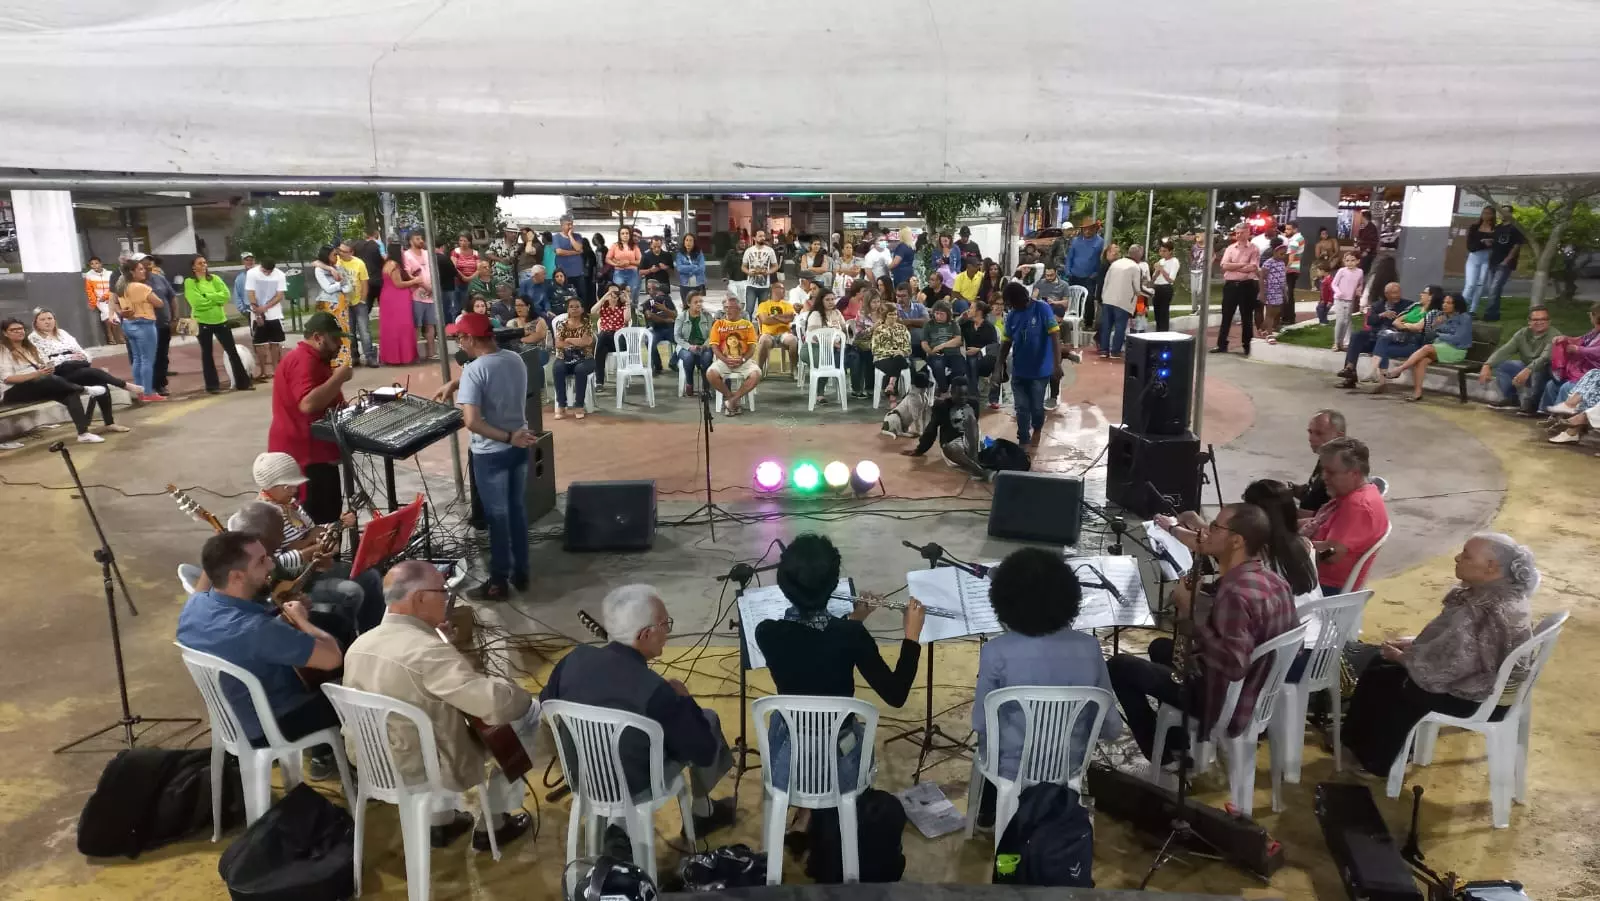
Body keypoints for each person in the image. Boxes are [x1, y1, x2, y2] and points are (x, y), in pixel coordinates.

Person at [343, 561, 536, 850]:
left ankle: (441, 821)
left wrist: (442, 643)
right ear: (420, 598)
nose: (446, 598)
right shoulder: (427, 653)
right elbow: (493, 704)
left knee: (423, 724)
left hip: (374, 761)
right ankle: (494, 823)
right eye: (442, 591)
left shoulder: (359, 644)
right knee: (526, 715)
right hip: (425, 768)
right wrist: (521, 696)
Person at [755, 535, 924, 836]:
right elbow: (896, 694)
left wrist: (855, 618)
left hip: (787, 758)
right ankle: (820, 812)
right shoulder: (850, 637)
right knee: (842, 725)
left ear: (783, 585)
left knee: (801, 714)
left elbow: (812, 650)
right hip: (841, 764)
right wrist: (911, 635)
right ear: (834, 586)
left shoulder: (766, 632)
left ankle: (804, 810)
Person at [1107, 503, 1298, 765]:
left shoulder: (1234, 594)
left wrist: (1189, 611)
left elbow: (1233, 664)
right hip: (1257, 693)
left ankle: (1163, 756)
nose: (1207, 532)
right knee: (1160, 647)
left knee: (1119, 666)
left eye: (1216, 527)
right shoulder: (1275, 580)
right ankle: (1176, 740)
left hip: (1223, 702)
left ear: (1237, 541)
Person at [539, 584, 738, 834]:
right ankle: (702, 812)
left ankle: (617, 826)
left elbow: (547, 706)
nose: (668, 633)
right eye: (665, 625)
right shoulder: (656, 691)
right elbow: (704, 751)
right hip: (637, 787)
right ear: (644, 635)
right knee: (706, 720)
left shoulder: (572, 660)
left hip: (584, 780)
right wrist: (686, 702)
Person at [1341, 534, 1536, 776]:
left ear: (1490, 567)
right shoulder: (1506, 593)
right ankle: (1362, 743)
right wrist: (1416, 644)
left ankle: (1377, 761)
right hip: (1495, 688)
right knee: (1383, 666)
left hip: (1478, 699)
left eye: (1466, 555)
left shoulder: (1482, 611)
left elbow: (1446, 667)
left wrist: (1404, 657)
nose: (1457, 557)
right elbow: (1464, 646)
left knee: (1389, 679)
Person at [176, 530, 345, 781]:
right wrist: (301, 620)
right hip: (271, 724)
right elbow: (333, 658)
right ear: (236, 576)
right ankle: (352, 767)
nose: (271, 564)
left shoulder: (195, 605)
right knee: (356, 689)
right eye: (261, 561)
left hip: (232, 717)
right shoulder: (256, 630)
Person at [971, 547, 1121, 822]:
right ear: (1069, 597)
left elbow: (980, 724)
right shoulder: (1089, 648)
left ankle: (990, 813)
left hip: (1010, 768)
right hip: (1069, 766)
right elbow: (1111, 728)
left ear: (1003, 600)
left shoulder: (995, 651)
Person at [434, 313, 535, 601]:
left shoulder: (474, 371)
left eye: (459, 338)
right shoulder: (514, 359)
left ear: (469, 339)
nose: (458, 344)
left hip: (492, 454)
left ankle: (498, 581)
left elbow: (472, 422)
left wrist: (505, 436)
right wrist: (455, 384)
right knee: (517, 512)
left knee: (498, 518)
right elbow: (490, 375)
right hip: (519, 449)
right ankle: (522, 572)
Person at [268, 313, 353, 525]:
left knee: (328, 515)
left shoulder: (315, 359)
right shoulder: (303, 360)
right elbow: (308, 404)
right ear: (318, 337)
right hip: (306, 458)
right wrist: (339, 377)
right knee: (317, 522)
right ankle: (322, 557)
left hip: (314, 453)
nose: (340, 345)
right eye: (335, 339)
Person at [1, 318, 119, 442]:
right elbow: (8, 379)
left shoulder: (29, 347)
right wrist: (37, 374)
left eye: (20, 328)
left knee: (69, 393)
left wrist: (45, 369)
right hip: (12, 391)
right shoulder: (3, 350)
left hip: (37, 385)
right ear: (5, 333)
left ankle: (83, 434)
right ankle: (84, 389)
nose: (19, 332)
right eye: (13, 330)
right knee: (47, 380)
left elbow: (39, 368)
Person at [1301, 437, 1388, 595]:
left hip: (1321, 587)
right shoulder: (1355, 494)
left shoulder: (1358, 506)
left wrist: (1288, 545)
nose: (1324, 477)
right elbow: (1320, 523)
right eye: (1323, 470)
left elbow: (1331, 553)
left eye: (1331, 472)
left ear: (1354, 474)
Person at [27, 309, 144, 407]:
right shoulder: (33, 338)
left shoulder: (62, 333)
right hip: (59, 373)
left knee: (98, 380)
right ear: (36, 323)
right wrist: (68, 358)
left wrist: (82, 356)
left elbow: (81, 351)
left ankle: (109, 422)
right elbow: (44, 360)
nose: (47, 322)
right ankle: (124, 385)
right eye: (42, 320)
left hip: (76, 369)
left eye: (50, 318)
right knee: (94, 372)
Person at [1000, 281, 1062, 449]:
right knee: (1021, 407)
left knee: (1036, 407)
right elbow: (1006, 343)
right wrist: (998, 367)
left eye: (1013, 303)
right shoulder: (1012, 315)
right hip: (1019, 370)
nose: (1011, 307)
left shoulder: (1042, 308)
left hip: (1040, 371)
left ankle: (1038, 426)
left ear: (1023, 299)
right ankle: (1023, 439)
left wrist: (1057, 364)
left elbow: (1055, 336)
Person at [1380, 292, 1472, 401]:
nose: (1444, 305)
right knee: (1421, 361)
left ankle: (1399, 370)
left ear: (1456, 305)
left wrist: (1439, 334)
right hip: (1439, 347)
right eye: (1444, 302)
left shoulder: (1465, 318)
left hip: (1456, 350)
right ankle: (1417, 393)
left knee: (1427, 348)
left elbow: (1458, 339)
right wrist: (1436, 326)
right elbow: (1430, 335)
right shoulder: (1441, 316)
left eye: (1449, 303)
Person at [183, 257, 253, 392]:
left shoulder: (214, 278)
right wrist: (215, 299)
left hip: (220, 320)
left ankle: (243, 383)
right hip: (202, 321)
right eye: (200, 263)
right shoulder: (190, 282)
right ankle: (212, 386)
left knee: (232, 351)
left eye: (204, 262)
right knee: (207, 353)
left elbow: (225, 296)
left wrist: (207, 295)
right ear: (193, 267)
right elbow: (196, 302)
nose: (203, 265)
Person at [901, 375, 983, 474]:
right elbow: (931, 430)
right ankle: (977, 469)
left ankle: (974, 460)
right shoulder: (942, 407)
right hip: (953, 444)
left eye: (966, 394)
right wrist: (920, 449)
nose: (963, 398)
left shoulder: (974, 404)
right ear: (951, 393)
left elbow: (974, 428)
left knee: (970, 418)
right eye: (960, 395)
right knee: (949, 448)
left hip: (971, 441)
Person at [113, 258, 165, 401]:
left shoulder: (121, 286)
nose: (144, 271)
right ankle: (148, 392)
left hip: (129, 324)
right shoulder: (140, 287)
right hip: (144, 324)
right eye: (140, 269)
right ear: (132, 272)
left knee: (137, 358)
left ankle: (140, 391)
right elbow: (159, 303)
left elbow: (115, 303)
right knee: (147, 359)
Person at [1539, 302, 1600, 412]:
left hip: (1592, 377)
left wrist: (1578, 349)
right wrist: (1566, 339)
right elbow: (1581, 339)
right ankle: (1544, 413)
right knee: (1552, 385)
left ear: (1595, 315)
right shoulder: (1594, 332)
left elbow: (1597, 352)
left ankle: (1560, 419)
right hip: (1583, 372)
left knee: (1566, 387)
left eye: (1590, 314)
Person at [707, 295, 762, 415]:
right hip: (724, 360)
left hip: (743, 361)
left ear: (739, 309)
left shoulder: (748, 325)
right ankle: (732, 399)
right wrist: (725, 360)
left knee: (756, 374)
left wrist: (742, 359)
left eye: (730, 307)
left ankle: (732, 401)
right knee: (710, 374)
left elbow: (752, 348)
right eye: (725, 307)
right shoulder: (718, 324)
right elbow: (714, 347)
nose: (727, 310)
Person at [1215, 227, 1261, 356]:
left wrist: (1233, 266)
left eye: (1242, 232)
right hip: (1230, 286)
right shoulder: (1230, 248)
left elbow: (1252, 267)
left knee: (1246, 317)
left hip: (1247, 286)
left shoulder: (1254, 248)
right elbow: (1224, 266)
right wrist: (1241, 265)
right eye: (1237, 233)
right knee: (1226, 315)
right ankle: (1221, 344)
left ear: (1248, 233)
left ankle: (1247, 345)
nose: (1239, 235)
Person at [1099, 244, 1150, 360]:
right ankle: (1115, 352)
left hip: (1108, 298)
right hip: (1123, 301)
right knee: (1119, 326)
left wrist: (1103, 297)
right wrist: (1151, 292)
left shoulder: (1115, 264)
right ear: (1138, 255)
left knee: (1106, 326)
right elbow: (1138, 288)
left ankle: (1104, 350)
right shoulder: (1135, 268)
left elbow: (1106, 281)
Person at [1293, 409, 1346, 515]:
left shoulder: (1339, 469)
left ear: (1339, 436)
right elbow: (1317, 493)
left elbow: (1334, 516)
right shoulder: (1326, 456)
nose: (1311, 438)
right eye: (1310, 432)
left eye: (1319, 433)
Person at [552, 297, 597, 419]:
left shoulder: (588, 323)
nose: (574, 309)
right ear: (567, 309)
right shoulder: (561, 324)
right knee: (558, 368)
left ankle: (579, 405)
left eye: (577, 306)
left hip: (585, 358)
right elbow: (558, 344)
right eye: (571, 307)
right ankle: (561, 405)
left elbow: (587, 341)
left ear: (582, 309)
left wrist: (568, 340)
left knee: (580, 370)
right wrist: (577, 342)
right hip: (564, 358)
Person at [378, 241, 420, 366]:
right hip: (397, 298)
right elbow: (399, 284)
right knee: (403, 327)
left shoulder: (386, 264)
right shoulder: (394, 265)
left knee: (390, 328)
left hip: (387, 297)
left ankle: (391, 356)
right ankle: (403, 357)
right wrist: (415, 281)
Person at [140, 255, 176, 398]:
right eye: (144, 264)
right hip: (146, 325)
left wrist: (174, 317)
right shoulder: (135, 283)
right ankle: (149, 385)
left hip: (162, 324)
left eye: (150, 263)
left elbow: (172, 297)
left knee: (162, 355)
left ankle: (161, 384)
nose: (148, 266)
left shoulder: (159, 278)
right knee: (149, 356)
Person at [246, 258, 287, 380]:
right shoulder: (252, 273)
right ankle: (263, 371)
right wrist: (256, 308)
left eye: (269, 272)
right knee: (259, 343)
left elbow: (280, 295)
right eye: (264, 271)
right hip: (256, 311)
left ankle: (276, 370)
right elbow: (251, 292)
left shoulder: (279, 275)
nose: (267, 273)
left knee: (275, 342)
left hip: (274, 313)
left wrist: (266, 307)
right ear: (260, 266)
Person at [337, 241, 376, 367]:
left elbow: (364, 283)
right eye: (340, 250)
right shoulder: (336, 261)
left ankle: (369, 356)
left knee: (364, 330)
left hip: (358, 301)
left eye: (344, 251)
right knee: (350, 331)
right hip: (344, 302)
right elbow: (318, 262)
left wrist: (363, 300)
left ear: (351, 252)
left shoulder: (359, 263)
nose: (341, 253)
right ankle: (354, 356)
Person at [1481, 205, 1523, 322]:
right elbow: (1497, 242)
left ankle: (1489, 315)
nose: (1502, 214)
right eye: (1501, 212)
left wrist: (1507, 260)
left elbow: (1516, 245)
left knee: (1494, 288)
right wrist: (1489, 241)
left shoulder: (1515, 228)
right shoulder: (1498, 227)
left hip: (1504, 264)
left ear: (1511, 214)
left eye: (1505, 212)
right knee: (1492, 289)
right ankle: (1495, 314)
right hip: (1493, 261)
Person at [674, 291, 717, 396]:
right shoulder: (681, 317)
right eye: (696, 302)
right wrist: (689, 347)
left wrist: (705, 345)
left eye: (700, 301)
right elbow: (677, 337)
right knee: (688, 357)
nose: (699, 304)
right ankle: (689, 382)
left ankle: (706, 387)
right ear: (689, 304)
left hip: (703, 346)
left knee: (706, 358)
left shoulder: (707, 316)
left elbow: (712, 335)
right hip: (685, 346)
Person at [1065, 218, 1105, 325]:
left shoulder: (1100, 242)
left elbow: (1102, 259)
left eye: (1090, 229)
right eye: (1085, 229)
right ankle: (1075, 321)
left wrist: (1096, 273)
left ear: (1094, 229)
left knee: (1089, 299)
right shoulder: (1075, 241)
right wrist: (1068, 270)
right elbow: (1070, 257)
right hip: (1074, 274)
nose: (1087, 231)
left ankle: (1088, 322)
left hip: (1090, 276)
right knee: (1074, 298)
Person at [870, 302, 912, 401]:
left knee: (898, 358)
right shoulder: (879, 330)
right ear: (885, 315)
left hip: (900, 358)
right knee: (898, 360)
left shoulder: (902, 328)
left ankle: (890, 386)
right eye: (890, 314)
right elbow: (875, 350)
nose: (893, 317)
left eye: (895, 314)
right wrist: (892, 352)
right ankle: (892, 386)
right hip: (882, 359)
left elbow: (908, 348)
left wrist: (902, 352)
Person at [591, 284, 630, 390]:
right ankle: (599, 382)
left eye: (616, 292)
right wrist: (604, 297)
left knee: (602, 337)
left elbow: (626, 320)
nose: (614, 295)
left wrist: (627, 302)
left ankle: (600, 380)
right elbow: (592, 311)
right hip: (605, 341)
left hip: (618, 339)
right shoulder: (604, 305)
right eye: (612, 292)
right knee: (601, 347)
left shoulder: (622, 305)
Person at [921, 300, 965, 390]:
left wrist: (942, 345)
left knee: (961, 367)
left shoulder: (953, 324)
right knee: (938, 365)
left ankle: (952, 388)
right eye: (937, 313)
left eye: (942, 314)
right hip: (936, 354)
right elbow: (924, 343)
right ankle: (944, 390)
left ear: (948, 314)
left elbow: (959, 340)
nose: (938, 316)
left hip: (953, 353)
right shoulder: (929, 325)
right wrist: (930, 352)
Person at [1327, 251, 1365, 353]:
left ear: (1358, 261)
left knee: (1347, 321)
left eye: (1353, 260)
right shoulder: (1342, 271)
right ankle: (1336, 343)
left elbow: (1360, 284)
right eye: (1347, 260)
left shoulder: (1360, 272)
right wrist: (1338, 292)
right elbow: (1334, 284)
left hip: (1350, 300)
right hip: (1339, 299)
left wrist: (1359, 290)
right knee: (1340, 321)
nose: (1350, 263)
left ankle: (1344, 343)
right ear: (1344, 261)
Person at [1462, 206, 1498, 314]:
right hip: (1474, 257)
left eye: (1489, 213)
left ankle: (1473, 310)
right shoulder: (1475, 227)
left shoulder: (1496, 229)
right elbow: (1471, 246)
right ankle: (1460, 308)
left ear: (1493, 215)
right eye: (1484, 213)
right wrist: (1482, 242)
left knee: (1480, 284)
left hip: (1487, 258)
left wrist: (1491, 243)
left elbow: (1497, 245)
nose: (1486, 215)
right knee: (1470, 284)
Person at [553, 215, 590, 310]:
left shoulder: (577, 236)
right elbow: (559, 252)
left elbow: (578, 248)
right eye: (568, 224)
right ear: (562, 225)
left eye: (571, 224)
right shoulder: (556, 237)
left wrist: (570, 236)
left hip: (578, 273)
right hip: (564, 274)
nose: (570, 226)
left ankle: (583, 314)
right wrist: (575, 253)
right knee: (566, 296)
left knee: (582, 295)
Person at [755, 289, 798, 369]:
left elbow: (790, 318)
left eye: (783, 289)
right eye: (780, 289)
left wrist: (773, 316)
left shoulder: (788, 305)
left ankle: (794, 369)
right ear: (773, 292)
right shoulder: (763, 305)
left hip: (785, 333)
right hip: (768, 334)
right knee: (764, 340)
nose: (783, 291)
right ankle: (759, 369)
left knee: (793, 341)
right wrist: (782, 318)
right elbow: (765, 320)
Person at [642, 281, 678, 375]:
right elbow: (649, 316)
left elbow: (675, 316)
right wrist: (665, 319)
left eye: (654, 289)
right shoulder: (647, 304)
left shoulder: (667, 300)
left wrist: (665, 309)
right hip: (656, 330)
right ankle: (658, 366)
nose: (652, 291)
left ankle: (673, 362)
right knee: (649, 341)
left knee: (683, 342)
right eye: (649, 289)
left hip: (670, 329)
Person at [84, 256, 121, 345]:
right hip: (99, 300)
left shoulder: (109, 273)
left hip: (111, 297)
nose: (94, 266)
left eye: (96, 263)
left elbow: (114, 286)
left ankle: (115, 337)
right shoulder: (89, 275)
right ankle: (112, 336)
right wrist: (93, 302)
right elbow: (89, 290)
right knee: (108, 314)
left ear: (101, 264)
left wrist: (107, 296)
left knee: (114, 316)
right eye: (92, 264)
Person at [742, 230, 779, 315]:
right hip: (751, 285)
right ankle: (749, 328)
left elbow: (776, 266)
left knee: (763, 312)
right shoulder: (748, 251)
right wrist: (749, 272)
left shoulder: (770, 250)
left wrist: (768, 272)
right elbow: (743, 267)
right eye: (760, 236)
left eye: (763, 236)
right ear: (754, 238)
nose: (763, 238)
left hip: (765, 286)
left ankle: (762, 328)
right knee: (749, 310)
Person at [1259, 242, 1289, 339]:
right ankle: (1269, 333)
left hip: (1279, 291)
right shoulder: (1268, 263)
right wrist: (1263, 292)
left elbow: (1283, 279)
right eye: (1281, 254)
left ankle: (1262, 328)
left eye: (1285, 254)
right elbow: (1262, 278)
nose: (1283, 256)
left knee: (1276, 311)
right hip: (1270, 290)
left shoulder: (1282, 263)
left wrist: (1285, 292)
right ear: (1275, 252)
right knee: (1270, 312)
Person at [448, 234, 481, 322]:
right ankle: (455, 328)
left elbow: (479, 268)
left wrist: (470, 278)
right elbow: (453, 267)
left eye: (464, 241)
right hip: (457, 283)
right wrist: (463, 277)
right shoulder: (455, 251)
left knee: (469, 306)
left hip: (471, 284)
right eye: (460, 240)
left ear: (469, 242)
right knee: (456, 307)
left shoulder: (475, 253)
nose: (462, 243)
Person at [1149, 245, 1180, 332]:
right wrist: (1156, 271)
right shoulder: (1161, 261)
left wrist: (1162, 270)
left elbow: (1170, 279)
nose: (1162, 253)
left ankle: (1164, 332)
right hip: (1157, 287)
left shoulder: (1174, 261)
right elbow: (1153, 278)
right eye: (1161, 251)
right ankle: (1158, 331)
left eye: (1164, 251)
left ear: (1170, 251)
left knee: (1163, 313)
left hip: (1166, 288)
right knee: (1157, 313)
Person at [1280, 222, 1305, 324]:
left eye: (1288, 229)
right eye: (1286, 229)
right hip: (1294, 269)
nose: (1286, 231)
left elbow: (1291, 258)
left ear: (1295, 229)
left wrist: (1284, 270)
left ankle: (1288, 318)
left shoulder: (1294, 241)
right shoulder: (1299, 238)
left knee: (1287, 294)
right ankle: (1289, 317)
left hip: (1290, 270)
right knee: (1289, 294)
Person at [674, 234, 706, 305]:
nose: (688, 243)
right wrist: (693, 266)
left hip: (698, 284)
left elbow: (702, 268)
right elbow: (680, 268)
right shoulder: (680, 254)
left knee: (697, 307)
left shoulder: (699, 253)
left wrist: (690, 271)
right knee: (686, 306)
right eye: (687, 240)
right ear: (684, 242)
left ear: (694, 242)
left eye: (691, 240)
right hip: (684, 285)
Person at [231, 251, 257, 321]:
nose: (249, 262)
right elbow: (237, 296)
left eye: (251, 260)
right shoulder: (240, 278)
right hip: (250, 310)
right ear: (243, 262)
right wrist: (243, 310)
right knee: (256, 331)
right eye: (247, 260)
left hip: (264, 308)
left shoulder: (261, 274)